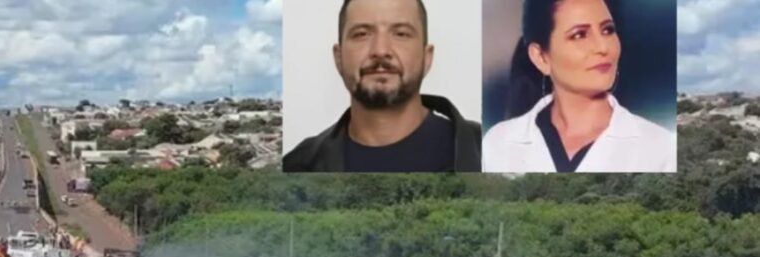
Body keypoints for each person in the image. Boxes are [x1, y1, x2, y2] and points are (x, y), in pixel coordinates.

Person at [282, 0, 481, 173]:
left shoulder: (490, 151)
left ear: (426, 58)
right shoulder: (296, 165)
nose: (380, 50)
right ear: (339, 57)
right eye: (361, 34)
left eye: (401, 34)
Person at [482, 0, 675, 173]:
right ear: (540, 57)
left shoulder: (661, 148)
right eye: (579, 35)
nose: (603, 47)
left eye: (607, 30)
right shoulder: (498, 143)